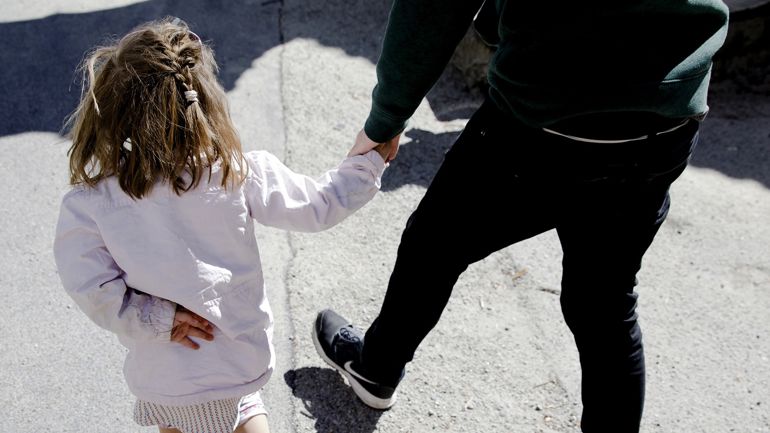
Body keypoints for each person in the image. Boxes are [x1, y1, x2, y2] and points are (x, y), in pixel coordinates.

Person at [312, 1, 729, 431]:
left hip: (545, 114)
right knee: (604, 300)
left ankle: (377, 368)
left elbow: (434, 10)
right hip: (666, 119)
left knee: (435, 245)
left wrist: (386, 119)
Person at [53, 17, 396, 433]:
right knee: (245, 413)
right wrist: (367, 162)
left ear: (111, 112)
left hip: (166, 375)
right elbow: (319, 205)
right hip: (237, 360)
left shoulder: (89, 205)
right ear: (204, 102)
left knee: (178, 423)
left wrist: (155, 318)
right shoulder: (236, 173)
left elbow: (90, 288)